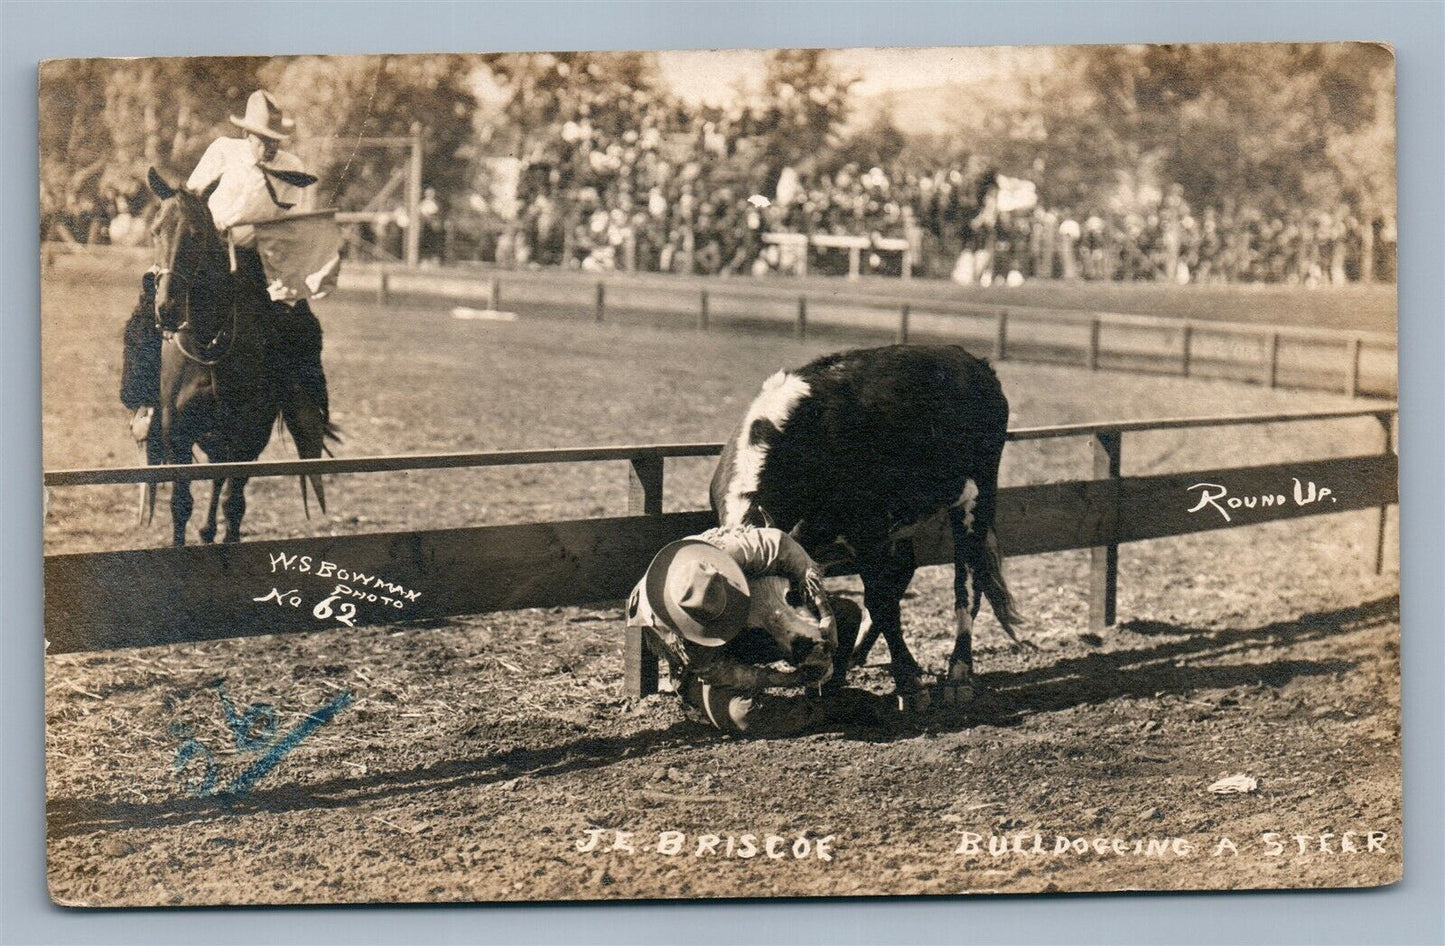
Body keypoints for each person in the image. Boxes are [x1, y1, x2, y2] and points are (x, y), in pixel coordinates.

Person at [123, 90, 330, 442]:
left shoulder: (292, 169)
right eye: (262, 139)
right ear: (247, 134)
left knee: (301, 323)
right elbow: (188, 199)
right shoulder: (223, 150)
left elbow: (289, 221)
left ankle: (304, 410)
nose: (268, 147)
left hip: (258, 258)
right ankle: (145, 405)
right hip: (207, 249)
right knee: (148, 309)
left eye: (275, 141)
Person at [626, 525, 864, 738]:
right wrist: (790, 680)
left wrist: (825, 613)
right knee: (745, 715)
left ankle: (827, 690)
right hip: (712, 660)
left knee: (846, 615)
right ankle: (832, 709)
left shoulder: (728, 552)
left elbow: (783, 545)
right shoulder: (673, 633)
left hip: (756, 624)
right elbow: (719, 671)